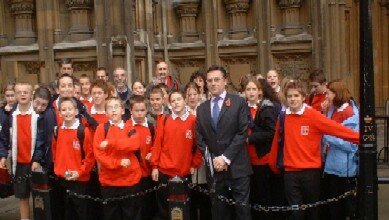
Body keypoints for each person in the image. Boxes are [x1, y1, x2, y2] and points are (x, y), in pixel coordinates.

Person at [267, 79, 359, 220]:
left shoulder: (313, 116)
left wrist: (361, 138)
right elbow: (276, 142)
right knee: (296, 213)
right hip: (290, 173)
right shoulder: (283, 117)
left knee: (313, 212)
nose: (293, 99)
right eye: (290, 96)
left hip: (311, 173)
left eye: (296, 96)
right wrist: (273, 164)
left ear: (303, 97)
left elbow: (336, 129)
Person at [196, 65, 252, 220]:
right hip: (215, 171)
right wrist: (214, 159)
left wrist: (225, 158)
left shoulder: (238, 102)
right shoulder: (202, 108)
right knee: (219, 212)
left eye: (217, 80)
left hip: (238, 168)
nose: (213, 84)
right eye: (210, 81)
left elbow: (242, 132)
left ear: (225, 81)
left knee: (242, 212)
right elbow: (199, 138)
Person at [150, 91, 202, 220]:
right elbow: (157, 144)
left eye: (179, 99)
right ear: (169, 104)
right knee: (165, 209)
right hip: (165, 170)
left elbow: (199, 146)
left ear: (185, 100)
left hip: (184, 171)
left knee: (184, 208)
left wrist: (194, 164)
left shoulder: (193, 120)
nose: (176, 103)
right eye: (173, 101)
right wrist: (155, 166)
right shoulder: (164, 119)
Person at [93, 97, 143, 220]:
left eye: (116, 107)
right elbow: (99, 155)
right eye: (110, 107)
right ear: (106, 113)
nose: (113, 110)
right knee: (111, 215)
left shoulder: (130, 128)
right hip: (109, 182)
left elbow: (134, 144)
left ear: (122, 111)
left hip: (130, 180)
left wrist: (111, 142)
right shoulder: (101, 129)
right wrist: (118, 162)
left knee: (131, 214)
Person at [0, 82, 40, 220]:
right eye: (19, 92)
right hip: (19, 163)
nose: (22, 94)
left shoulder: (38, 115)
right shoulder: (10, 117)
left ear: (31, 95)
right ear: (15, 95)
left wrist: (38, 159)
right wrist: (3, 156)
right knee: (22, 197)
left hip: (36, 163)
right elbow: (4, 138)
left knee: (39, 197)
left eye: (25, 92)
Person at [52, 97, 95, 220]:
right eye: (63, 110)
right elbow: (55, 152)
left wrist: (80, 172)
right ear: (59, 113)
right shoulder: (57, 130)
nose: (67, 112)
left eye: (70, 109)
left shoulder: (83, 131)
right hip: (62, 178)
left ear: (76, 111)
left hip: (79, 179)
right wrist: (58, 169)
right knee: (66, 212)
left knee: (81, 212)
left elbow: (89, 156)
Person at [244, 77, 281, 219]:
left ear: (260, 91)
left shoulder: (266, 107)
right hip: (247, 160)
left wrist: (250, 138)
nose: (251, 92)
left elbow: (271, 132)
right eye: (248, 89)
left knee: (264, 196)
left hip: (263, 158)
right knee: (253, 197)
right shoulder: (242, 108)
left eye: (254, 89)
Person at [322, 79, 359, 219]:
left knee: (343, 209)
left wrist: (327, 136)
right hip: (332, 165)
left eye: (329, 93)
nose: (326, 96)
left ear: (337, 93)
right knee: (333, 208)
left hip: (344, 169)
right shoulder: (333, 110)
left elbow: (350, 144)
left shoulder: (349, 113)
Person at [126, 96, 156, 220]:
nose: (139, 113)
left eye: (142, 110)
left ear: (147, 110)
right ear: (131, 111)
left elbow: (156, 146)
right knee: (133, 209)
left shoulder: (150, 127)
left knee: (148, 208)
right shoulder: (125, 127)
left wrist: (153, 155)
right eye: (136, 110)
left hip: (147, 174)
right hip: (131, 175)